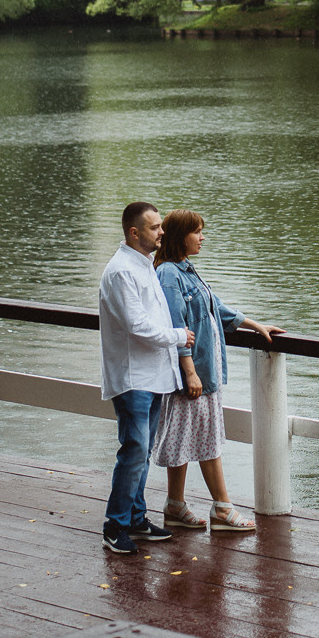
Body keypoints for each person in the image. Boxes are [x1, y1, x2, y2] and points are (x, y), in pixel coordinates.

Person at [153, 209, 285, 533]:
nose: (202, 237)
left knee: (185, 437)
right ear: (179, 235)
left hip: (203, 371)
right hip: (194, 374)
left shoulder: (185, 269)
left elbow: (217, 308)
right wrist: (190, 372)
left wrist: (254, 324)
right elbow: (175, 325)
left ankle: (174, 506)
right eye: (197, 231)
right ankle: (223, 509)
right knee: (207, 439)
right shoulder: (169, 274)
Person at [99, 201, 196, 555]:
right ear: (134, 232)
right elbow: (138, 327)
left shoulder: (145, 267)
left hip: (153, 376)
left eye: (161, 226)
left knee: (143, 450)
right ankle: (115, 524)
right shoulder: (122, 271)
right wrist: (178, 336)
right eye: (155, 227)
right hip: (132, 377)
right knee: (135, 449)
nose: (162, 232)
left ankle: (137, 519)